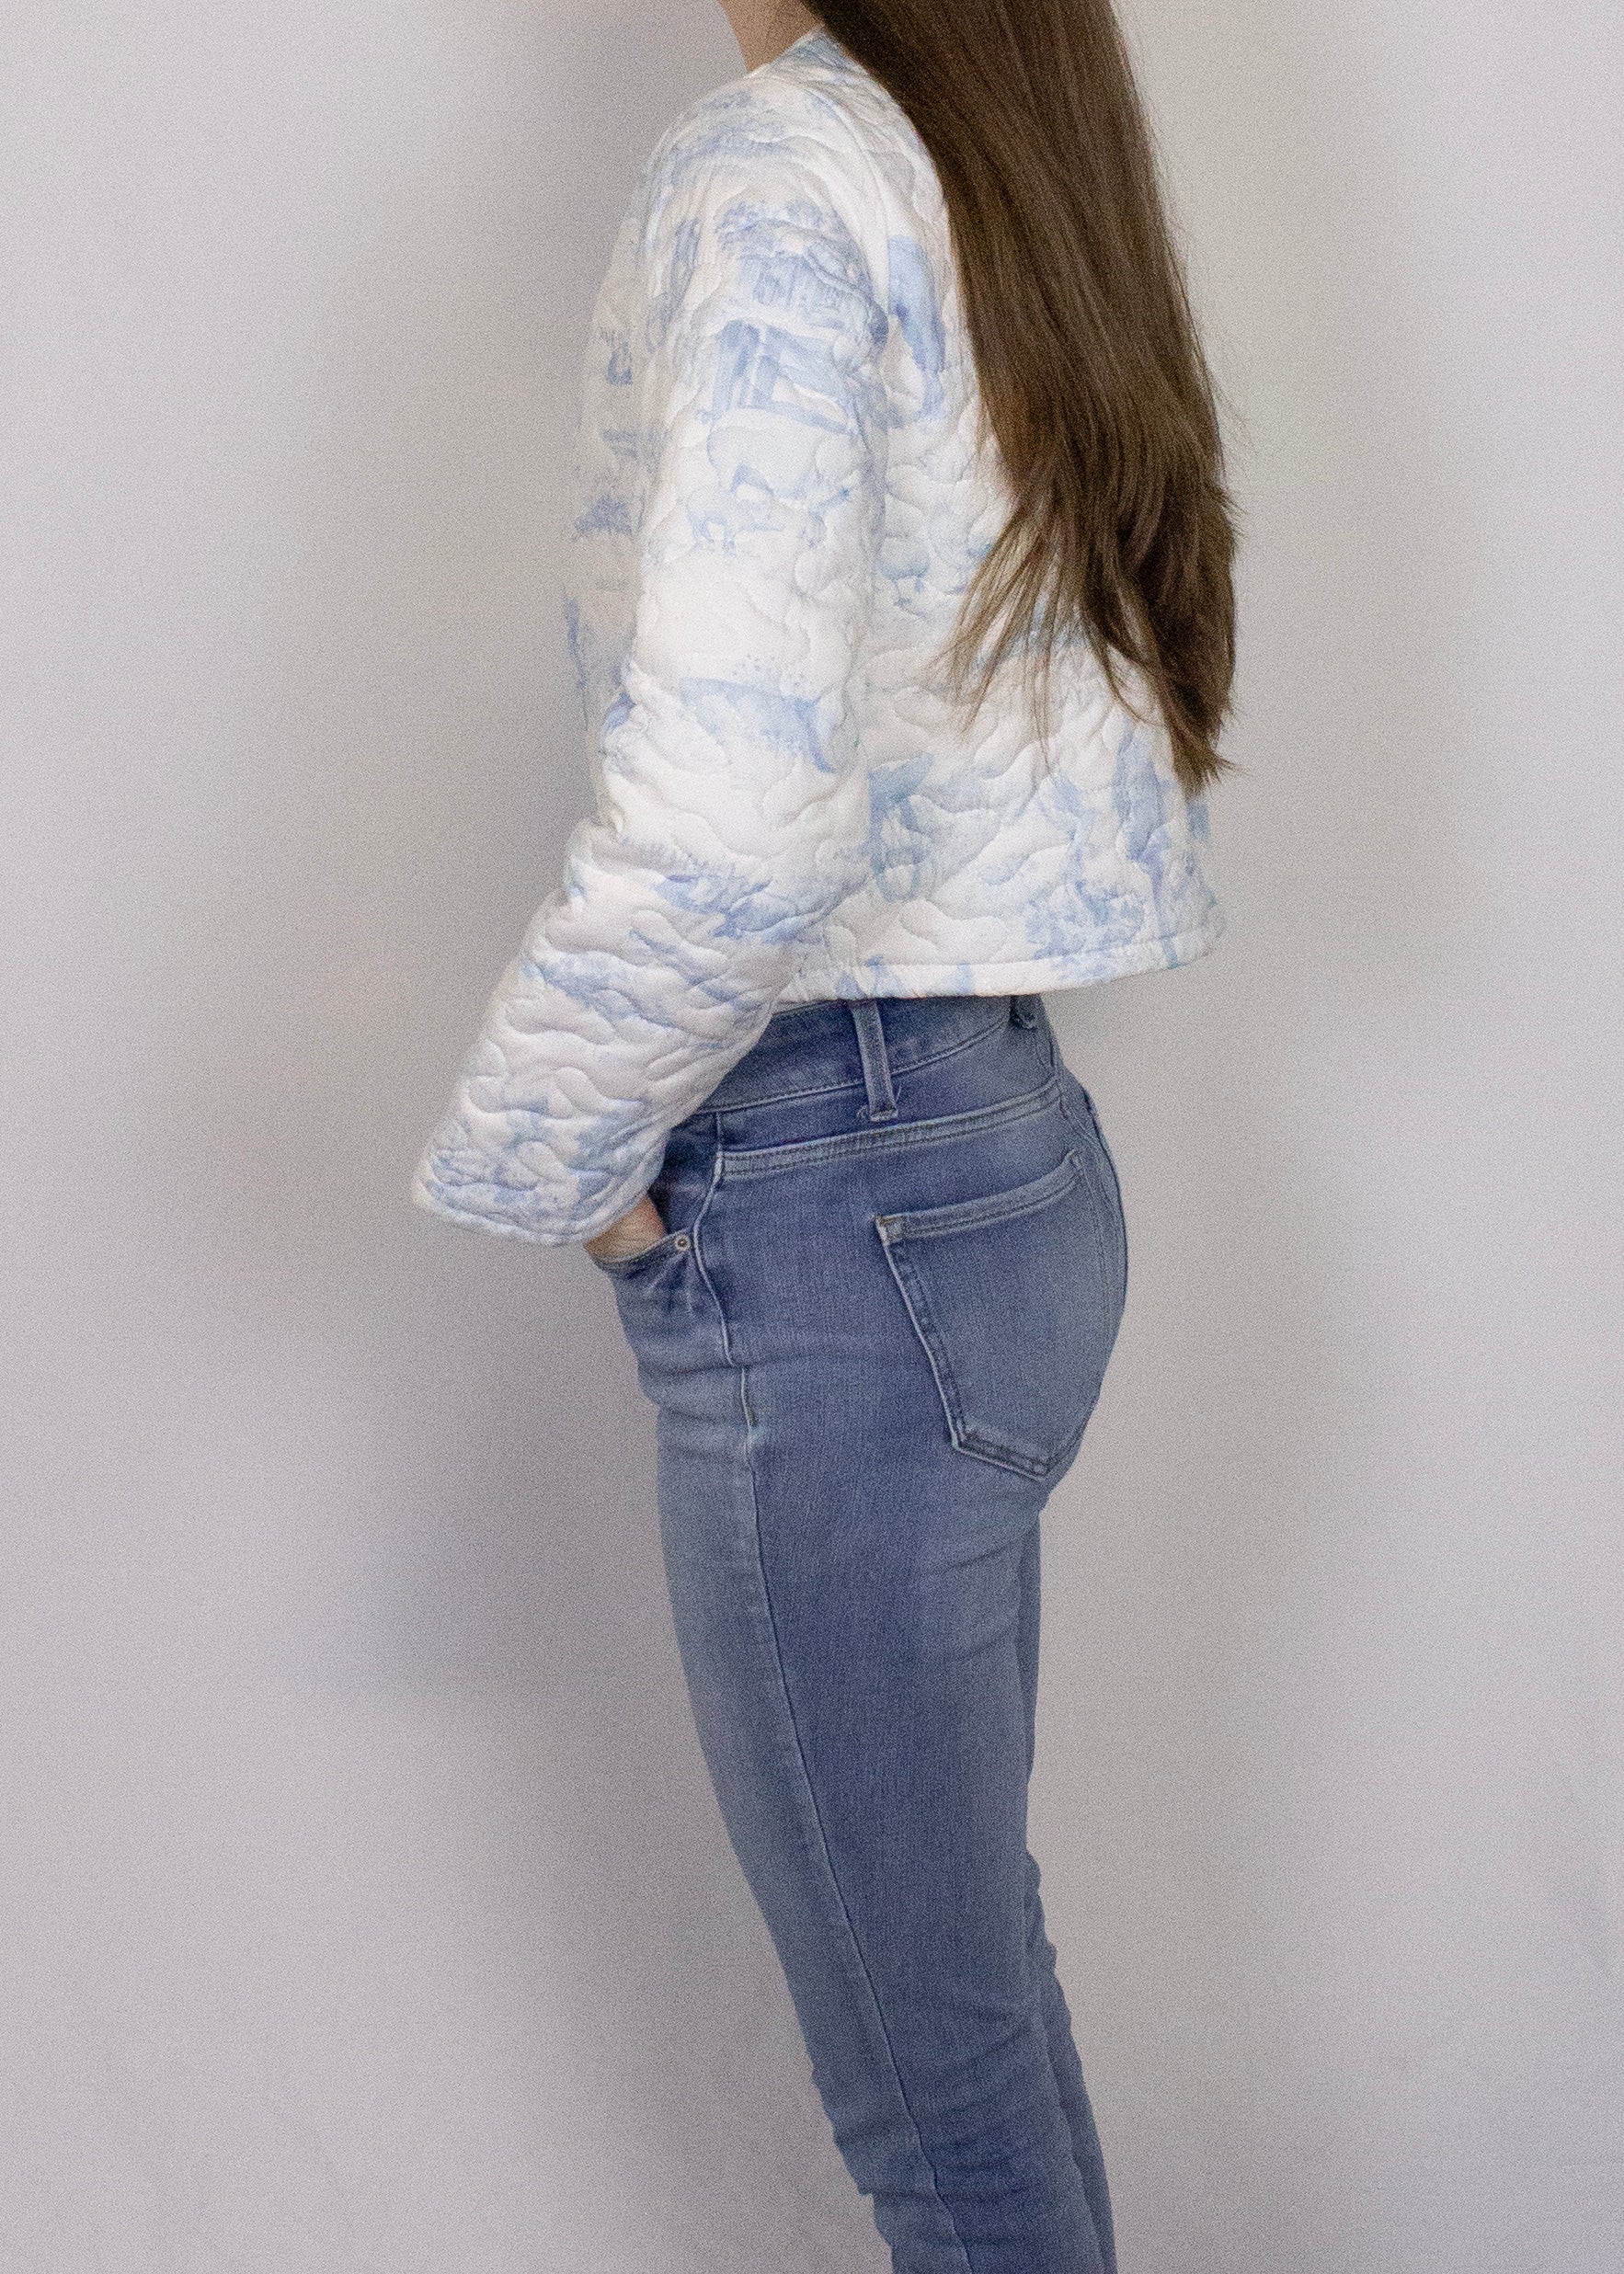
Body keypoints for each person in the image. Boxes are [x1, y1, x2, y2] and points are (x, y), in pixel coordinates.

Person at [413, 0, 1235, 2263]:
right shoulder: (995, 154)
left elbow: (722, 826)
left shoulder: (777, 174)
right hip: (992, 1159)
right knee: (962, 2023)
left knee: (932, 2100)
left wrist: (569, 1160)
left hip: (836, 1193)